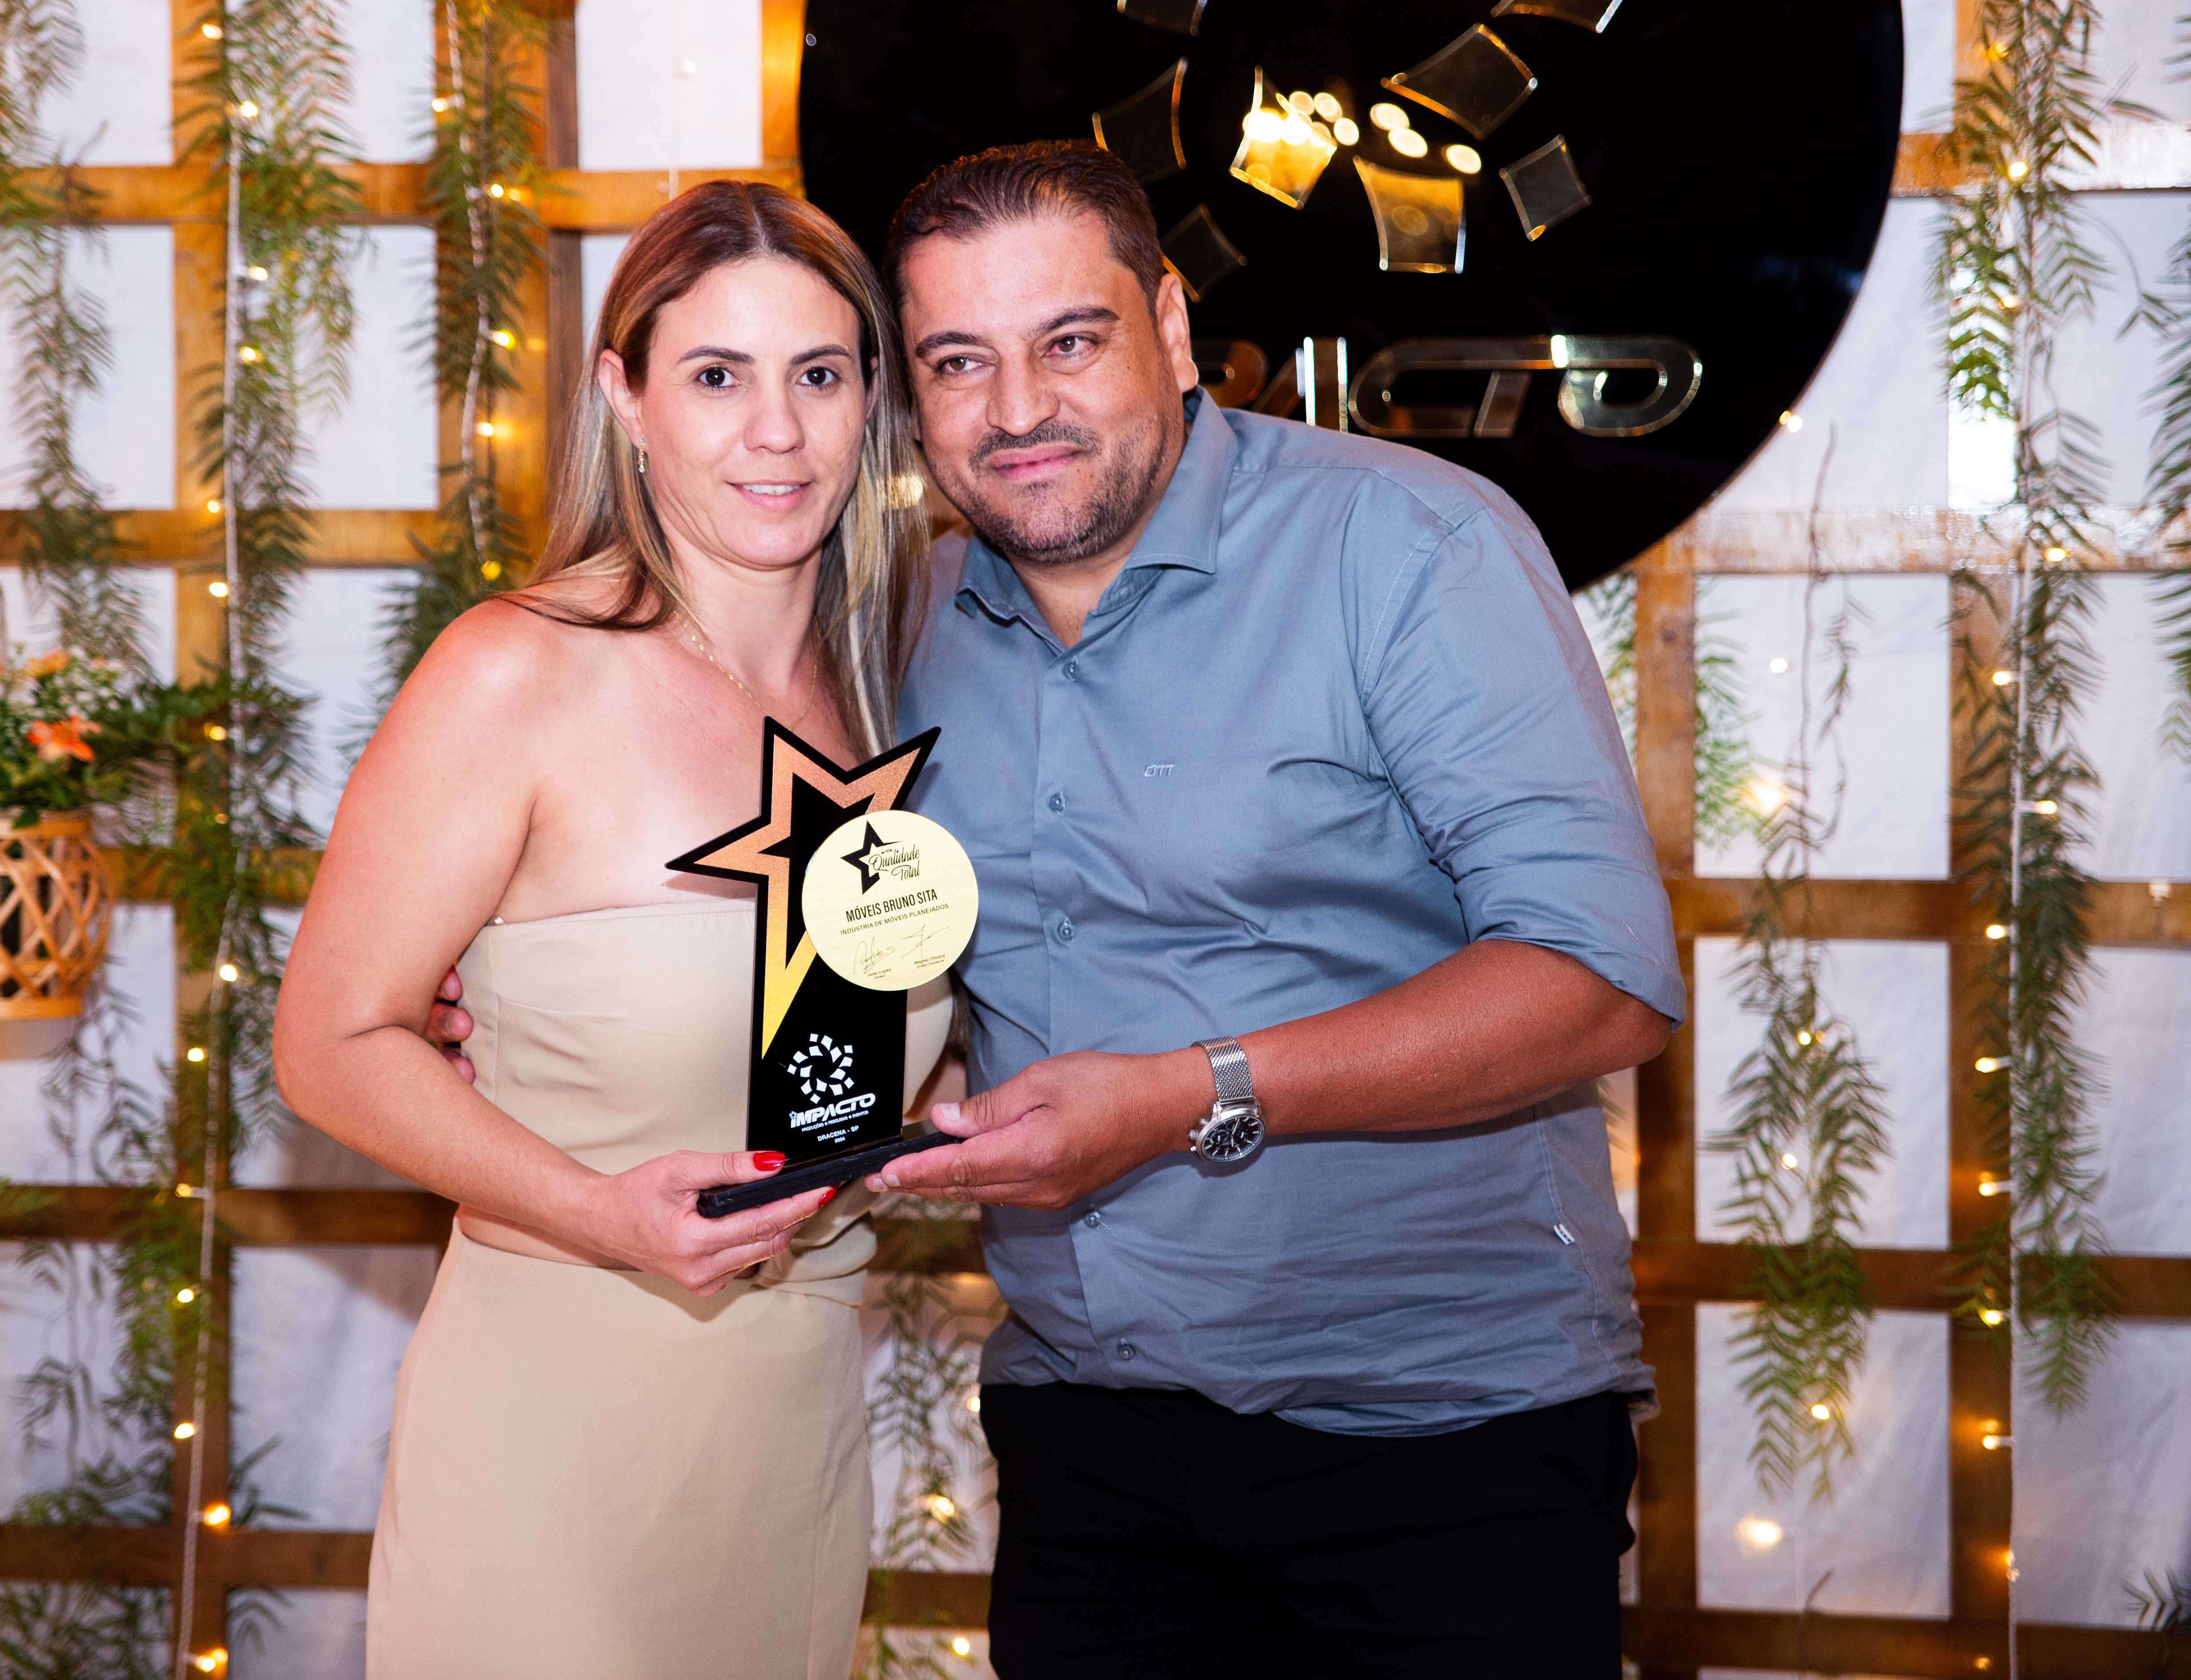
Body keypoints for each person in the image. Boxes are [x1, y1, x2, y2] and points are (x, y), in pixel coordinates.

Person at [428, 142, 1683, 1676]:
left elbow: (1600, 977)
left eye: (1070, 341)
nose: (1018, 408)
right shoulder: (899, 626)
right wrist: (512, 981)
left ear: (1171, 324)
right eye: (960, 361)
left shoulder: (1405, 545)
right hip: (1086, 1444)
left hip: (1440, 1439)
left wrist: (1185, 1096)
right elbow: (844, 938)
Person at [271, 179, 947, 1680]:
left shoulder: (889, 686)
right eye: (716, 376)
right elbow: (327, 1044)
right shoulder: (519, 670)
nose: (777, 432)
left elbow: (844, 1041)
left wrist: (950, 1109)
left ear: (871, 401)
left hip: (791, 1445)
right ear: (626, 398)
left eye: (819, 375)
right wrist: (600, 1214)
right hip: (556, 1444)